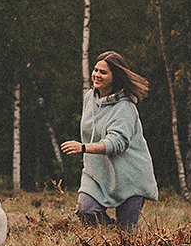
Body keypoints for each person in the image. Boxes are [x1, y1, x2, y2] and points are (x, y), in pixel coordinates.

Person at [61, 50, 158, 232]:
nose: (96, 75)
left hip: (130, 177)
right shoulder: (89, 97)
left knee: (127, 233)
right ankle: (110, 234)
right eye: (95, 70)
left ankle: (121, 240)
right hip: (97, 173)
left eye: (103, 72)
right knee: (85, 210)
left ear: (115, 77)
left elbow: (117, 143)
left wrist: (83, 148)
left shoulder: (125, 107)